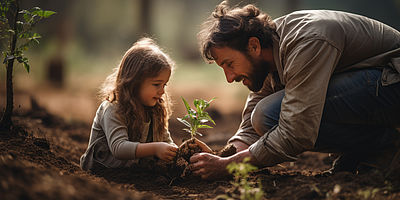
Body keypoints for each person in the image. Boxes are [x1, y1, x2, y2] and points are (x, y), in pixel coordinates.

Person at [190, 1, 400, 180]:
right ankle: (370, 147)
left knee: (271, 114)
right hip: (375, 86)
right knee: (263, 115)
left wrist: (229, 166)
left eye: (230, 64)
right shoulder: (266, 52)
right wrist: (224, 156)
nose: (229, 78)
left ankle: (383, 144)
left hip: (393, 80)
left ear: (253, 46)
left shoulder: (306, 42)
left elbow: (297, 131)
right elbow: (252, 123)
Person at [80, 38, 178, 171]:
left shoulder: (154, 109)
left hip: (131, 172)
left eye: (164, 85)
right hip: (103, 171)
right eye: (156, 84)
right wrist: (156, 148)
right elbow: (119, 148)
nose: (162, 91)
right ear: (134, 82)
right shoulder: (112, 109)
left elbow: (165, 141)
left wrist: (178, 152)